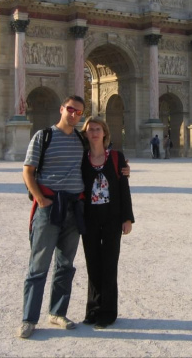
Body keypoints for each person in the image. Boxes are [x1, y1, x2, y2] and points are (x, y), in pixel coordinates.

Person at [18, 95, 87, 339]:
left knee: (66, 265)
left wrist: (123, 167)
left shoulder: (81, 139)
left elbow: (99, 162)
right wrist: (40, 198)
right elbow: (28, 171)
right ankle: (29, 318)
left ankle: (57, 313)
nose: (74, 115)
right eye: (70, 109)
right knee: (38, 265)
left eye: (79, 112)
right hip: (49, 206)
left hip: (73, 207)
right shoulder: (43, 136)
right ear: (61, 109)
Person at [80, 117, 134, 329]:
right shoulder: (81, 158)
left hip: (112, 218)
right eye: (90, 129)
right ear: (85, 134)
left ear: (105, 133)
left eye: (97, 129)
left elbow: (124, 189)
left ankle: (108, 312)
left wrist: (127, 218)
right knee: (93, 264)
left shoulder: (116, 157)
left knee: (109, 265)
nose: (94, 132)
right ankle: (93, 309)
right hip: (89, 218)